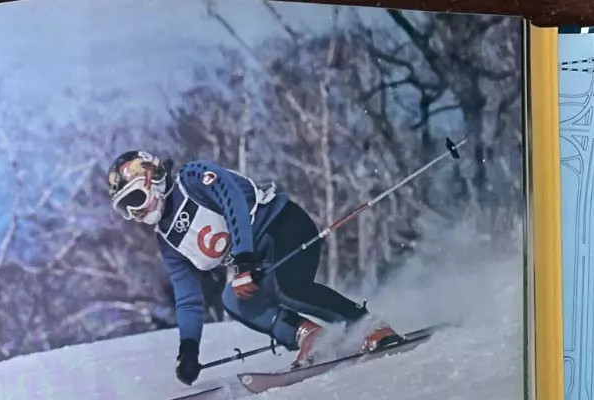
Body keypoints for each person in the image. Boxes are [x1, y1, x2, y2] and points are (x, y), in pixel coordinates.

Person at [105, 150, 400, 386]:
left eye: (135, 198)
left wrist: (244, 259)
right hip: (258, 258)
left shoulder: (192, 178)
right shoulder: (167, 239)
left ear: (152, 177)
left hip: (284, 226)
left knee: (289, 288)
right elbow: (187, 296)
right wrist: (189, 349)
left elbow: (231, 199)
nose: (135, 212)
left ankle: (369, 325)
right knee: (233, 300)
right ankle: (310, 336)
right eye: (125, 209)